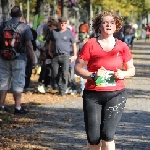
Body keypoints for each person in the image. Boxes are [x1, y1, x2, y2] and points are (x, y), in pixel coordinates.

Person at [74, 11, 135, 150]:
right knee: (94, 138)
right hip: (93, 95)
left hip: (116, 94)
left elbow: (132, 69)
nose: (108, 25)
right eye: (105, 22)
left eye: (112, 22)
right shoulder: (90, 44)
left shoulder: (122, 46)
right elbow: (78, 69)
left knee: (108, 135)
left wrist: (123, 73)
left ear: (116, 26)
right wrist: (93, 75)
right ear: (99, 26)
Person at [0, 6, 35, 114]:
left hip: (4, 57)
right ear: (21, 15)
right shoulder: (24, 27)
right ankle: (18, 107)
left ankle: (1, 106)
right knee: (18, 82)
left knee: (3, 82)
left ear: (10, 15)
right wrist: (33, 59)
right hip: (19, 58)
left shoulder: (2, 25)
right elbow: (28, 44)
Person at [48, 16, 77, 97]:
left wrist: (75, 55)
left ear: (66, 24)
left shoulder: (69, 32)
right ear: (58, 23)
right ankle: (61, 87)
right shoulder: (54, 32)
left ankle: (63, 91)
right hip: (55, 56)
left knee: (64, 73)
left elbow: (74, 44)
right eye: (61, 23)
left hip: (65, 56)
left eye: (64, 23)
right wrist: (49, 51)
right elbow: (50, 42)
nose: (62, 25)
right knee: (55, 73)